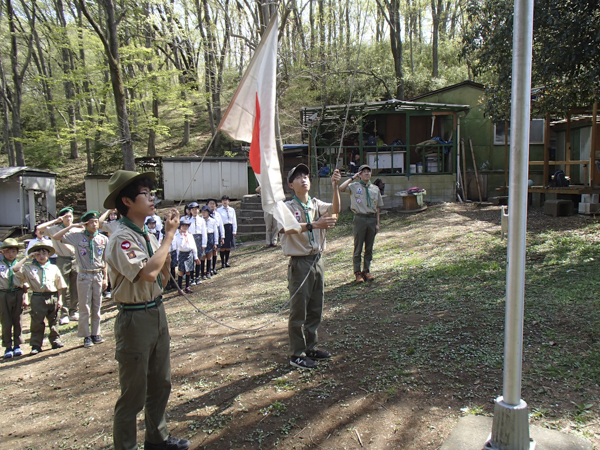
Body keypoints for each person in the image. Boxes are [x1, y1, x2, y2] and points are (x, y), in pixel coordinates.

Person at [102, 170, 189, 450]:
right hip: (134, 319)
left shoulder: (147, 234)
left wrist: (164, 241)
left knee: (161, 382)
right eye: (145, 194)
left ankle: (157, 438)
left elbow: (162, 278)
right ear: (126, 201)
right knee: (133, 394)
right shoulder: (122, 238)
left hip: (156, 311)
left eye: (152, 193)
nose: (152, 198)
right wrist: (169, 236)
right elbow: (148, 274)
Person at [281, 163, 341, 369]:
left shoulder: (315, 204)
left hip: (318, 260)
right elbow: (286, 227)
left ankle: (311, 347)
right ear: (291, 184)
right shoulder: (287, 207)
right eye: (298, 177)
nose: (303, 179)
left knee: (316, 306)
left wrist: (335, 187)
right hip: (300, 263)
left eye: (306, 175)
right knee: (299, 309)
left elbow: (335, 211)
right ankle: (296, 353)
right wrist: (314, 225)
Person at [51, 211, 109, 349]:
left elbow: (105, 259)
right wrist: (72, 226)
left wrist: (105, 278)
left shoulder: (102, 239)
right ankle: (86, 335)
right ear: (85, 224)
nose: (95, 225)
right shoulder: (76, 237)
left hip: (98, 275)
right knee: (84, 307)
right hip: (84, 275)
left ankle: (96, 333)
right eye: (91, 222)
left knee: (96, 306)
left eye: (96, 222)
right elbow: (56, 236)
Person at [13, 242, 67, 355]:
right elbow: (15, 269)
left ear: (48, 255)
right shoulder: (28, 268)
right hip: (38, 297)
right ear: (34, 256)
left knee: (54, 320)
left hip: (52, 296)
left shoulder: (53, 268)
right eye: (38, 254)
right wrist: (27, 257)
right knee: (37, 322)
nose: (41, 256)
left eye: (44, 253)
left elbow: (60, 285)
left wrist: (60, 299)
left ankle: (55, 340)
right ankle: (36, 345)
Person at [339, 164, 383, 283]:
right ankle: (357, 272)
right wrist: (353, 178)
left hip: (371, 218)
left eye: (368, 172)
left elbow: (378, 207)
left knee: (369, 247)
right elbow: (341, 188)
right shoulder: (354, 186)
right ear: (360, 174)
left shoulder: (375, 188)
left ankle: (366, 270)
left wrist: (377, 223)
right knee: (358, 247)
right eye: (364, 172)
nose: (366, 174)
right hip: (360, 218)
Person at [37, 207, 79, 324]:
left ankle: (74, 311)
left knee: (75, 286)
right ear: (61, 218)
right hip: (62, 259)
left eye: (70, 216)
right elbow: (39, 229)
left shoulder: (75, 229)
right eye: (66, 217)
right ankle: (64, 313)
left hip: (76, 259)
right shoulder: (54, 229)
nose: (69, 219)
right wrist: (55, 221)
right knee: (63, 286)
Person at [0, 239, 27, 359]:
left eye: (13, 251)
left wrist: (25, 298)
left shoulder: (21, 266)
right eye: (8, 251)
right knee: (5, 321)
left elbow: (25, 283)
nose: (11, 254)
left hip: (18, 292)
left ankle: (17, 345)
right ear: (3, 252)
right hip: (3, 294)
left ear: (17, 252)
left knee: (18, 320)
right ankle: (7, 346)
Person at [174, 216, 199, 295]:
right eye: (183, 226)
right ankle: (180, 288)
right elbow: (178, 247)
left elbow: (193, 246)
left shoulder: (190, 235)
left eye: (186, 226)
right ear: (180, 227)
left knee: (188, 271)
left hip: (189, 253)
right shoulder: (177, 236)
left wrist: (195, 256)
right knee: (181, 271)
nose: (185, 228)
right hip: (182, 254)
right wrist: (177, 257)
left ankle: (187, 286)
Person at [187, 202, 207, 285]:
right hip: (191, 239)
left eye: (196, 209)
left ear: (198, 210)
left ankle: (197, 277)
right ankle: (192, 278)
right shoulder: (188, 221)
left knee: (198, 259)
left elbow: (204, 232)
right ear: (190, 211)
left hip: (199, 239)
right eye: (193, 210)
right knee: (191, 259)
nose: (195, 211)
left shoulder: (201, 220)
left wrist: (204, 244)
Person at [216, 195, 237, 268]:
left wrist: (234, 230)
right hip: (222, 227)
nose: (225, 202)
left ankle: (226, 261)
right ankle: (222, 262)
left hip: (230, 227)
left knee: (228, 246)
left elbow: (234, 220)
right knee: (222, 246)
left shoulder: (232, 209)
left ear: (228, 201)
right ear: (221, 201)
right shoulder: (218, 210)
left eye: (226, 200)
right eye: (223, 200)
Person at [207, 199, 225, 275]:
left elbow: (221, 225)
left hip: (216, 232)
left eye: (213, 204)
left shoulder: (217, 214)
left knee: (215, 250)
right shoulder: (205, 215)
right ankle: (208, 269)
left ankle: (213, 268)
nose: (212, 205)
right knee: (208, 252)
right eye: (210, 204)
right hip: (208, 233)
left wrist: (222, 236)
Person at [200, 205, 218, 279]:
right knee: (202, 256)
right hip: (202, 237)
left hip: (210, 237)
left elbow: (215, 232)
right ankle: (202, 272)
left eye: (205, 212)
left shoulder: (212, 220)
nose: (203, 214)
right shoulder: (200, 220)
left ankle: (208, 271)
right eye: (202, 212)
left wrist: (215, 242)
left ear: (208, 212)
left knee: (209, 255)